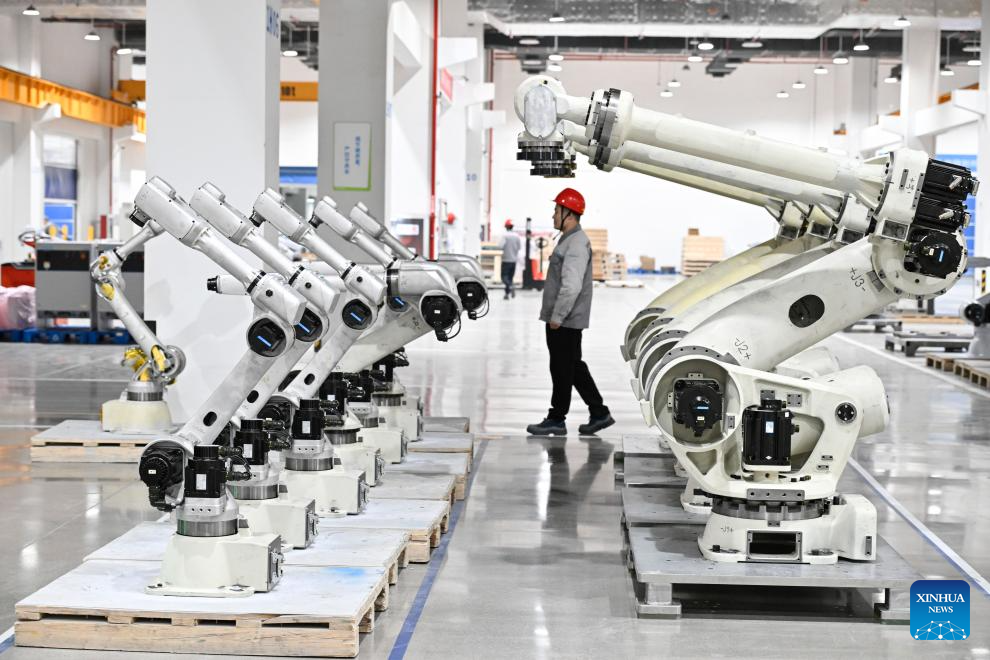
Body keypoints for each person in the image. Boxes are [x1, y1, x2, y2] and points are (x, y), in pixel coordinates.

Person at [527, 188, 614, 437]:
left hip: (565, 320)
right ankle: (599, 412)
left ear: (569, 214)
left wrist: (557, 316)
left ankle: (557, 418)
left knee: (562, 369)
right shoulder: (569, 240)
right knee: (572, 366)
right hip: (566, 319)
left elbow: (572, 285)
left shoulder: (575, 244)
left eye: (557, 210)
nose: (553, 215)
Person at [498, 219, 522, 300]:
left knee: (504, 277)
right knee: (510, 278)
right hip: (513, 261)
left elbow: (500, 246)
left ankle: (510, 286)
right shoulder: (517, 236)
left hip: (506, 260)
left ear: (506, 227)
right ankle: (507, 295)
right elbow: (519, 247)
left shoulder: (505, 236)